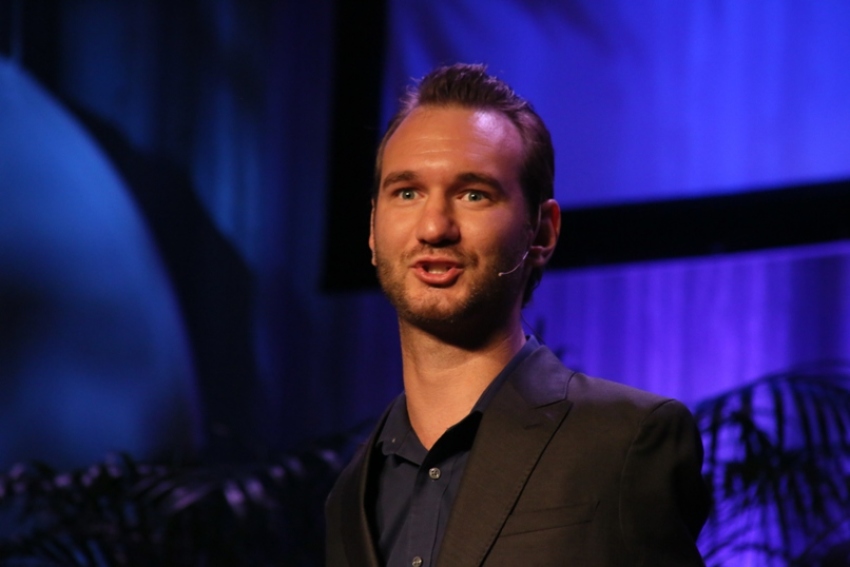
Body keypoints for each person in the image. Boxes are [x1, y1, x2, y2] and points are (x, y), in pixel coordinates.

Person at [325, 63, 709, 566]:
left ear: (542, 232)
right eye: (408, 193)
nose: (434, 227)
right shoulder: (348, 496)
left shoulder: (625, 440)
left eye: (473, 194)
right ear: (374, 230)